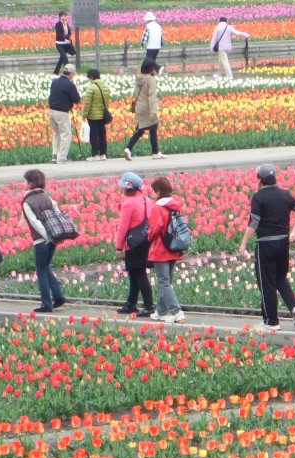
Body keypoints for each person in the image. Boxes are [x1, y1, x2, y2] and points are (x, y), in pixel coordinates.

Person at [237, 163, 295, 331]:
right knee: (280, 278)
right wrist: (294, 231)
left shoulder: (259, 197)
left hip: (265, 243)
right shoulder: (284, 194)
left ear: (259, 180)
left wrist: (243, 244)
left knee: (266, 281)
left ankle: (271, 321)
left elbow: (254, 222)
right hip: (283, 242)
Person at [20, 169, 68, 313]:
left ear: (30, 183)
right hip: (53, 238)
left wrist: (46, 236)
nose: (23, 183)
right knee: (45, 266)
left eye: (25, 181)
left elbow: (34, 222)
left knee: (41, 270)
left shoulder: (27, 202)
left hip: (41, 240)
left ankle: (46, 303)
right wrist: (52, 235)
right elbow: (57, 213)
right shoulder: (47, 197)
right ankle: (58, 296)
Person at [145, 176, 186, 323]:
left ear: (158, 191)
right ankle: (161, 311)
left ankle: (175, 311)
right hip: (174, 247)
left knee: (163, 282)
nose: (152, 194)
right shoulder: (175, 205)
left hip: (161, 249)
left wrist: (147, 236)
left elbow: (155, 229)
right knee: (167, 280)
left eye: (153, 191)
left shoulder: (159, 207)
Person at [113, 172, 153, 317]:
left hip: (133, 243)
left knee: (139, 274)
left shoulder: (128, 203)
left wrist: (119, 247)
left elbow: (123, 226)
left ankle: (148, 305)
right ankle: (131, 302)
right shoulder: (146, 200)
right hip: (145, 241)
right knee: (136, 273)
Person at [124, 60, 165, 160]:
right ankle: (155, 152)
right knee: (153, 127)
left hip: (139, 106)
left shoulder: (138, 78)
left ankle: (128, 149)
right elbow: (152, 96)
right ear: (151, 69)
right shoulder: (151, 80)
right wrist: (153, 111)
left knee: (140, 130)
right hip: (147, 107)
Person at [48, 64, 81, 164]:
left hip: (51, 111)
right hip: (62, 112)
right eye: (73, 74)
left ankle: (55, 155)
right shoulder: (69, 85)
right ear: (70, 73)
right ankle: (61, 158)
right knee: (65, 135)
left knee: (56, 134)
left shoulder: (55, 82)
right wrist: (77, 91)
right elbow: (76, 99)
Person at [81, 67, 111, 161]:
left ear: (91, 77)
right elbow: (107, 102)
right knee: (102, 134)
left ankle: (95, 155)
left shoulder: (91, 88)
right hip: (103, 115)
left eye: (89, 78)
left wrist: (84, 115)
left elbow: (88, 104)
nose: (89, 80)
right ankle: (103, 154)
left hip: (93, 116)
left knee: (94, 135)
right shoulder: (105, 86)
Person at [209, 16, 248, 80]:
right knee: (221, 61)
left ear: (219, 21)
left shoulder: (217, 28)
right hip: (228, 47)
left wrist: (212, 47)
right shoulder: (229, 27)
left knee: (225, 62)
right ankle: (218, 75)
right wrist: (245, 35)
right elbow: (237, 33)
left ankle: (230, 76)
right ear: (226, 21)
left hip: (221, 48)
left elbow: (214, 38)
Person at [53, 11, 74, 76]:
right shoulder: (58, 24)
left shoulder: (66, 24)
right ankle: (69, 72)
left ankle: (56, 72)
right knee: (64, 57)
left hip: (66, 44)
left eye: (65, 16)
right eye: (62, 16)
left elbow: (69, 33)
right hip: (59, 44)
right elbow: (59, 34)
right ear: (60, 17)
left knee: (61, 59)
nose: (64, 17)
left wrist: (68, 38)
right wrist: (65, 39)